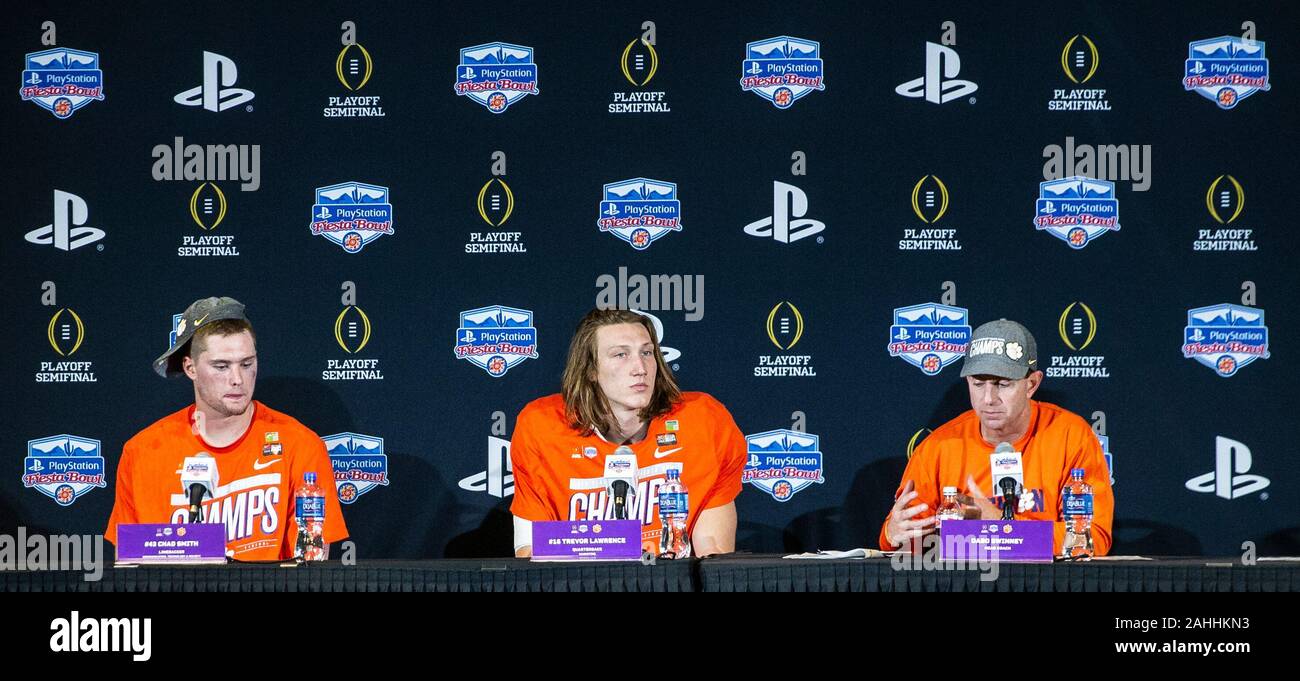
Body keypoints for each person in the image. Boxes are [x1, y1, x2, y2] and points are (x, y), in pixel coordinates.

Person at [105, 297, 348, 560]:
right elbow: (130, 566)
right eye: (221, 366)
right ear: (190, 367)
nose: (237, 380)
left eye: (246, 364)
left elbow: (311, 565)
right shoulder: (143, 452)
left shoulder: (300, 445)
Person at [510, 308, 746, 558]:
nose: (640, 368)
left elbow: (712, 556)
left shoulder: (704, 421)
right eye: (621, 354)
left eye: (646, 352)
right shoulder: (541, 427)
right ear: (591, 369)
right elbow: (530, 553)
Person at [880, 318, 1114, 555]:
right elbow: (905, 541)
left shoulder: (1071, 436)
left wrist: (1002, 526)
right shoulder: (939, 447)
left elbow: (1091, 538)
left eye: (1003, 384)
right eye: (978, 384)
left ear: (1032, 384)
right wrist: (893, 534)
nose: (989, 399)